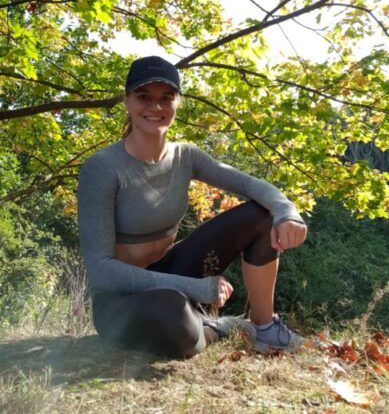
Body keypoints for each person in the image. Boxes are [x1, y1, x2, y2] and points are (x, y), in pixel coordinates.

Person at [78, 56, 308, 358]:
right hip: (122, 299)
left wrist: (286, 212)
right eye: (144, 97)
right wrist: (195, 288)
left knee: (262, 215)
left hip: (174, 270)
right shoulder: (102, 168)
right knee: (172, 315)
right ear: (127, 101)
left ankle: (265, 329)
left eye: (166, 98)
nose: (155, 107)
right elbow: (101, 272)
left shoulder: (185, 156)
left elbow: (250, 185)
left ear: (178, 102)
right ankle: (220, 328)